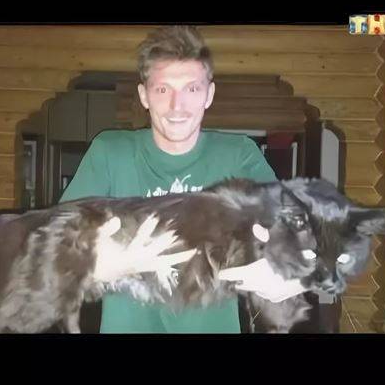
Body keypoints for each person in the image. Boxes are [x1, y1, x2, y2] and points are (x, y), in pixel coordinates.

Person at [60, 25, 302, 333]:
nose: (178, 106)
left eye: (192, 89)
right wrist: (100, 265)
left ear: (208, 95)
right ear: (144, 95)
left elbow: (291, 227)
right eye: (163, 90)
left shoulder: (239, 154)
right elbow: (61, 240)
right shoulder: (110, 152)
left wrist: (289, 276)